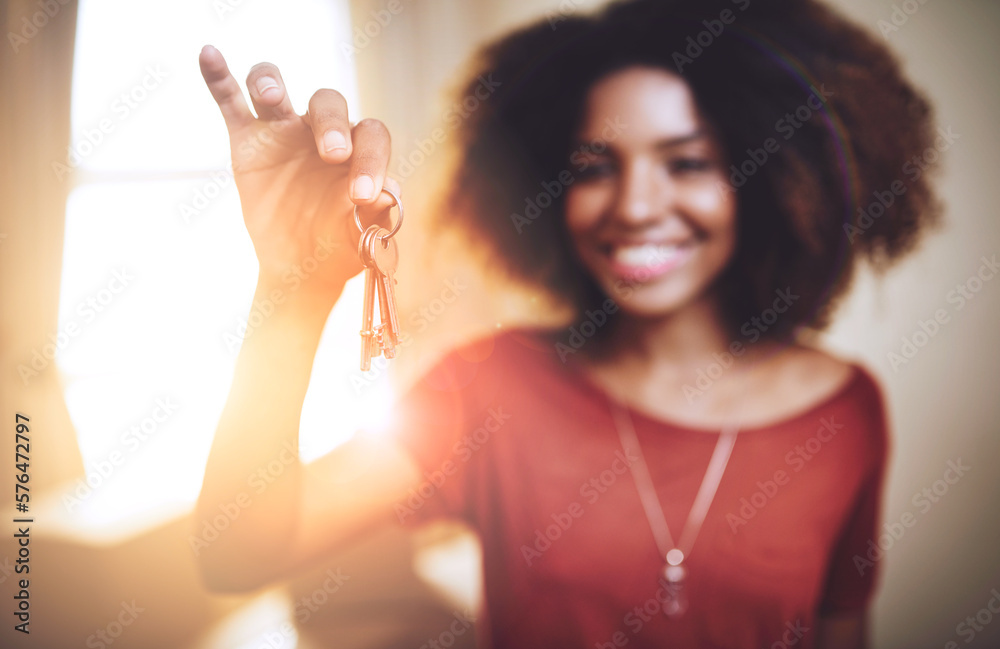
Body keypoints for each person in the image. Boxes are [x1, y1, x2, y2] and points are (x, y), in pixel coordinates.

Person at [194, 0, 940, 646]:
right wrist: (293, 287)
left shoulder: (844, 413)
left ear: (775, 180)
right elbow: (239, 551)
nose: (637, 205)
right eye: (594, 167)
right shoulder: (490, 389)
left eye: (687, 163)